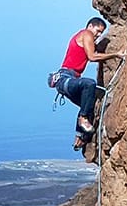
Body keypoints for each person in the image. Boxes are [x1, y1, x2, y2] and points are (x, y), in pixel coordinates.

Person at [49, 17, 122, 150]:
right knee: (89, 84)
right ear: (90, 26)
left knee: (88, 105)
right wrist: (116, 54)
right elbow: (92, 57)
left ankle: (80, 137)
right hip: (66, 79)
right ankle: (83, 119)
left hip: (67, 81)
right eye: (97, 31)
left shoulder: (84, 35)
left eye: (101, 33)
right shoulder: (86, 34)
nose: (98, 35)